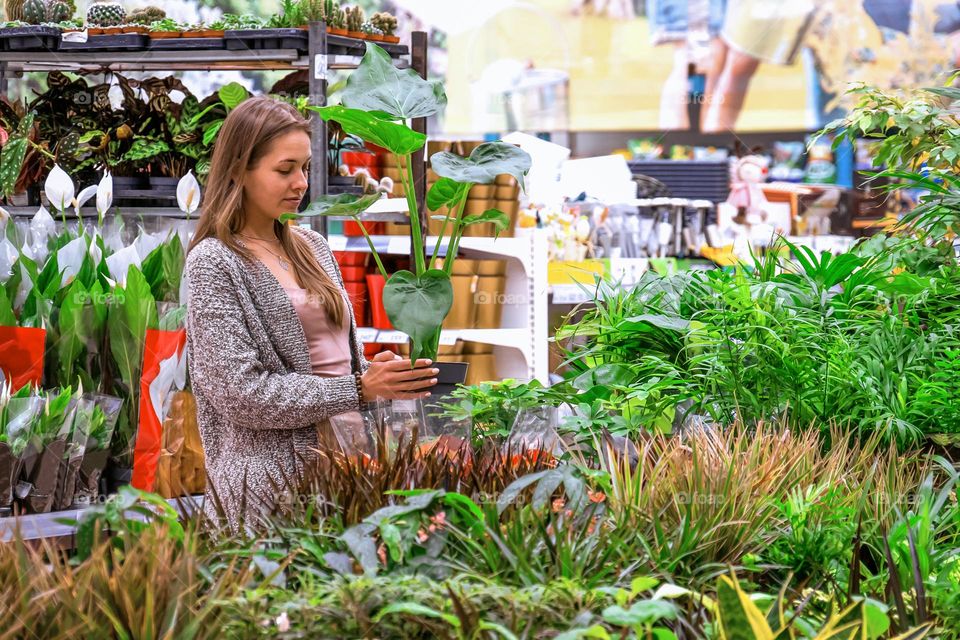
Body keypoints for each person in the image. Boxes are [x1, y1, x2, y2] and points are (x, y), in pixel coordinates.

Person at [185, 96, 437, 533]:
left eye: (304, 168)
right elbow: (240, 394)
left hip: (350, 469)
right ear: (238, 171)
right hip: (268, 491)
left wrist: (375, 373)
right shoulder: (215, 261)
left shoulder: (312, 247)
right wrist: (358, 388)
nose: (300, 183)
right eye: (284, 170)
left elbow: (340, 359)